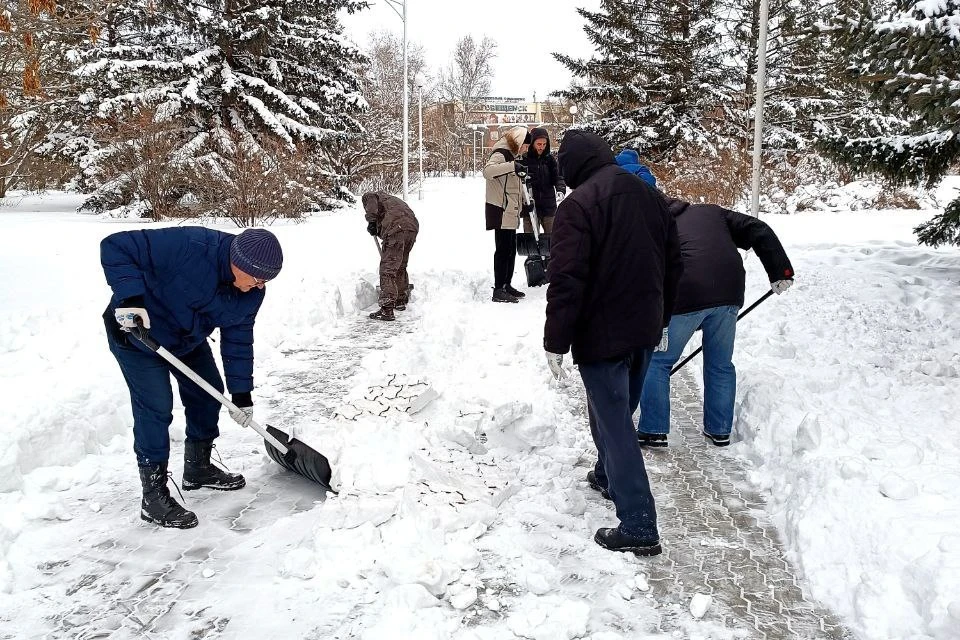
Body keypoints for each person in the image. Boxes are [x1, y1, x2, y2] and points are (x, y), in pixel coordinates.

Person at [543, 130, 682, 556]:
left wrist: (555, 340)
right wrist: (662, 320)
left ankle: (639, 523)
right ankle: (607, 475)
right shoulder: (649, 194)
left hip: (602, 332)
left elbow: (567, 278)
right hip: (643, 327)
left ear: (572, 168)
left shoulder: (577, 206)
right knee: (617, 412)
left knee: (615, 422)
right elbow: (674, 262)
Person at [101, 227, 283, 529]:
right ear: (239, 263)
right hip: (137, 335)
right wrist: (130, 298)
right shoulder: (190, 245)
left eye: (265, 280)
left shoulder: (250, 294)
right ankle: (153, 496)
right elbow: (116, 246)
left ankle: (198, 468)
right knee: (156, 406)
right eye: (257, 277)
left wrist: (242, 396)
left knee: (209, 392)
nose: (260, 285)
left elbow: (238, 341)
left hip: (186, 338)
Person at [638, 199, 794, 448]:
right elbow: (758, 228)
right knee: (720, 364)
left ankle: (653, 430)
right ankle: (719, 430)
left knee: (658, 361)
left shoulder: (656, 222)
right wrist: (781, 271)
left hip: (687, 293)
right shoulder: (713, 212)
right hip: (728, 293)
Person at [483, 125, 530, 303]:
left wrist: (525, 205)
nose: (526, 149)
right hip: (501, 210)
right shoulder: (501, 153)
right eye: (525, 145)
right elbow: (488, 172)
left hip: (510, 211)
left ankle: (506, 285)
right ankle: (498, 289)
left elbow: (514, 187)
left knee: (510, 250)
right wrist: (512, 166)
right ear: (518, 141)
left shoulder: (513, 156)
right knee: (502, 250)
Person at [362, 192, 419, 321]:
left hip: (395, 229)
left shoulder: (370, 196)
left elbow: (371, 206)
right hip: (411, 228)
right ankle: (399, 300)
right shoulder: (392, 200)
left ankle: (387, 309)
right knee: (400, 265)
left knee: (387, 269)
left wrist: (371, 222)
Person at [522, 128, 567, 234]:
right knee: (531, 241)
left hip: (548, 206)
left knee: (553, 239)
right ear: (532, 143)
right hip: (530, 206)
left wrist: (560, 189)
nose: (541, 147)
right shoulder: (524, 159)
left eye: (544, 144)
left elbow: (558, 176)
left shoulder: (549, 160)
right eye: (539, 144)